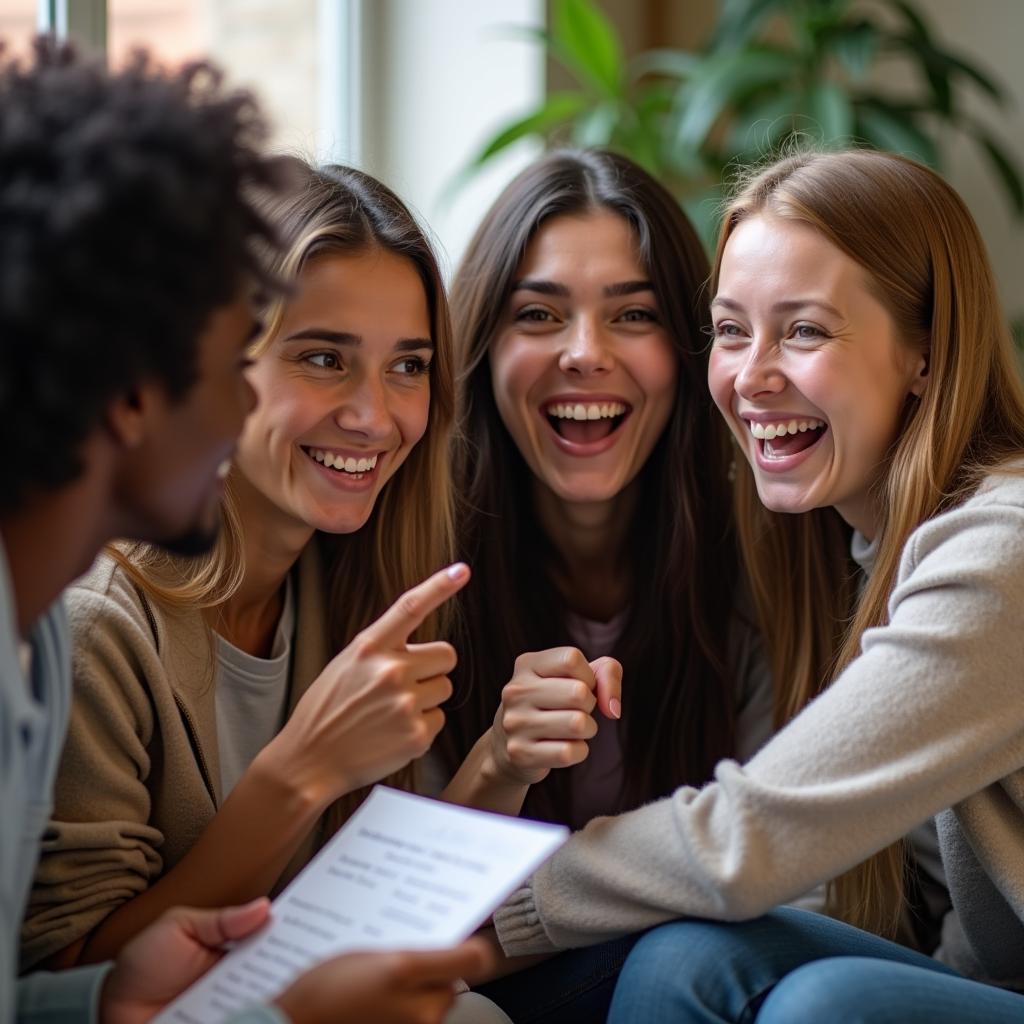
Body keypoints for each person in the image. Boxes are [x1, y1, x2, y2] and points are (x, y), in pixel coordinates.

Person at [1, 38, 488, 1024]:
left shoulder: (351, 583)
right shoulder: (76, 626)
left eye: (408, 366)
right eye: (293, 359)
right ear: (133, 383)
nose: (374, 413)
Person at [479, 148, 1024, 1023]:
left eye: (804, 330)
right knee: (690, 956)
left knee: (826, 1006)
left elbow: (750, 839)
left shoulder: (1004, 546)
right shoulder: (854, 551)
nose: (751, 376)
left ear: (924, 354)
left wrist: (480, 923)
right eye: (732, 330)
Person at [432, 149, 786, 1022]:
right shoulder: (416, 568)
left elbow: (793, 879)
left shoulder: (766, 560)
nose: (585, 355)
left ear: (694, 348)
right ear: (483, 344)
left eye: (634, 314)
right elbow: (409, 927)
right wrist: (498, 764)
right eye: (539, 314)